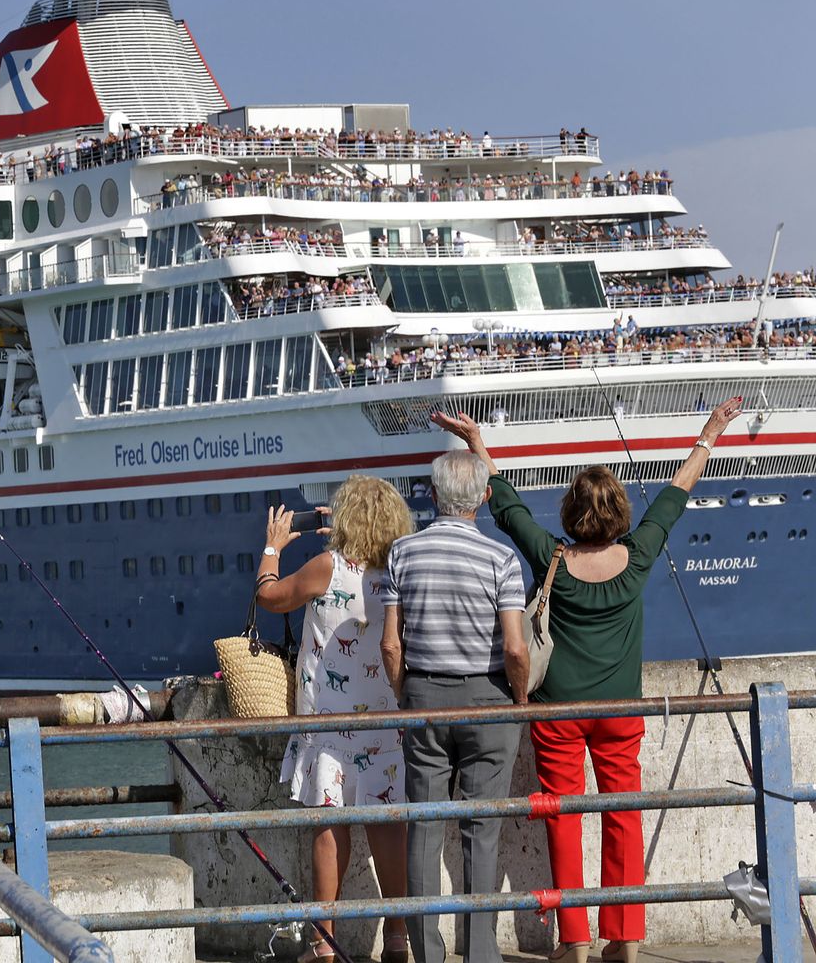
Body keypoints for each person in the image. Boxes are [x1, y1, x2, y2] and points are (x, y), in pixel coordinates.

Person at [432, 397, 743, 963]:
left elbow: (506, 505)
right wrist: (711, 430)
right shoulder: (640, 553)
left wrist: (477, 440)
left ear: (571, 512)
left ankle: (574, 939)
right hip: (622, 711)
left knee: (562, 815)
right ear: (620, 512)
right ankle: (623, 937)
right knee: (623, 812)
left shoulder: (550, 557)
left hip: (557, 713)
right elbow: (675, 494)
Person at [380, 450, 529, 963]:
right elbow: (514, 648)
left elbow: (390, 645)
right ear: (485, 497)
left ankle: (427, 953)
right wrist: (521, 700)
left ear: (435, 493)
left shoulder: (403, 553)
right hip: (489, 699)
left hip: (423, 697)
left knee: (424, 826)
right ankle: (481, 954)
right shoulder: (501, 559)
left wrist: (406, 693)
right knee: (481, 830)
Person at [256, 477, 412, 963]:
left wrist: (272, 547)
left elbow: (270, 597)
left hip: (327, 723)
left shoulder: (328, 567)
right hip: (385, 721)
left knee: (329, 827)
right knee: (387, 827)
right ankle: (398, 937)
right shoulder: (399, 571)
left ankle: (324, 942)